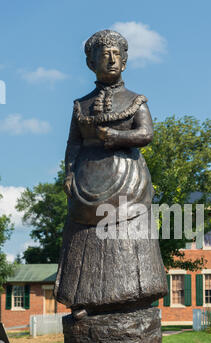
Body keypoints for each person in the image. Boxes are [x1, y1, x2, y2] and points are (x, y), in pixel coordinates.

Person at [54, 30, 167, 320]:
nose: (111, 59)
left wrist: (116, 136)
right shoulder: (81, 105)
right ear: (91, 63)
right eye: (104, 54)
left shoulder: (136, 100)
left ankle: (134, 299)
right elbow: (73, 143)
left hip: (127, 180)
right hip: (87, 182)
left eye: (117, 54)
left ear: (125, 61)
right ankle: (84, 299)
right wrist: (68, 175)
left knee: (127, 236)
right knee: (85, 237)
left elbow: (146, 134)